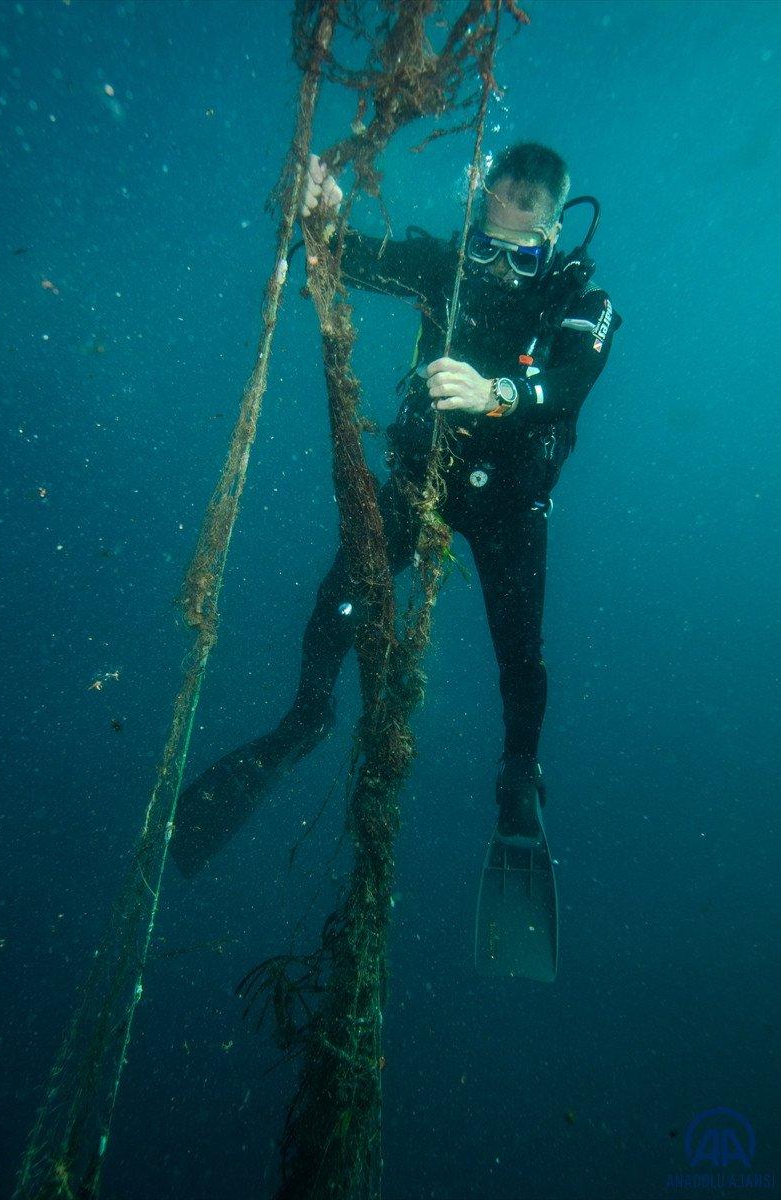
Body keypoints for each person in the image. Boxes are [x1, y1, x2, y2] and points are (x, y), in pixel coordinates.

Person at [170, 142, 621, 879]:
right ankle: (305, 719)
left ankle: (518, 777)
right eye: (485, 247)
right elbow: (349, 258)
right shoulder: (445, 269)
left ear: (552, 239)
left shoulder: (582, 303)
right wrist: (323, 218)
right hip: (421, 485)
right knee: (335, 605)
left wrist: (498, 393)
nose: (496, 269)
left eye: (519, 257)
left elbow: (573, 379)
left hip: (510, 503)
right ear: (476, 219)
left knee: (519, 651)